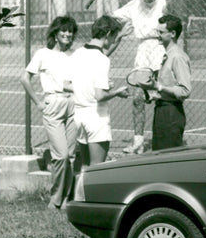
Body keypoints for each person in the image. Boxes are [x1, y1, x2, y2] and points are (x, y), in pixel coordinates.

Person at [108, 0, 171, 153]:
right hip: (142, 52)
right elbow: (113, 17)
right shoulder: (135, 4)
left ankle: (165, 142)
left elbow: (172, 9)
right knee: (137, 98)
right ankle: (138, 142)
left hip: (161, 48)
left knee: (163, 97)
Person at [20, 16, 79, 209]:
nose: (67, 34)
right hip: (53, 104)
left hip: (73, 104)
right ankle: (55, 200)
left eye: (70, 31)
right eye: (64, 30)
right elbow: (25, 79)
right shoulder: (42, 54)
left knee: (70, 156)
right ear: (55, 32)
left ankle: (67, 200)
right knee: (60, 156)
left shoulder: (75, 55)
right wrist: (38, 102)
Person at [70, 15, 129, 167]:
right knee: (97, 169)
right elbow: (100, 95)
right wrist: (117, 92)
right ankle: (89, 192)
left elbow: (74, 83)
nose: (114, 39)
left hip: (78, 115)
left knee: (84, 166)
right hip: (96, 118)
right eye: (114, 35)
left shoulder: (77, 53)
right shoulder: (102, 60)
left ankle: (77, 192)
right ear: (108, 34)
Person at [149, 14, 191, 150]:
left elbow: (184, 90)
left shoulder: (177, 57)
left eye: (161, 32)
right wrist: (153, 94)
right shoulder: (168, 54)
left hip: (171, 114)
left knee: (168, 159)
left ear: (172, 34)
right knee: (158, 156)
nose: (158, 35)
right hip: (161, 111)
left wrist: (159, 87)